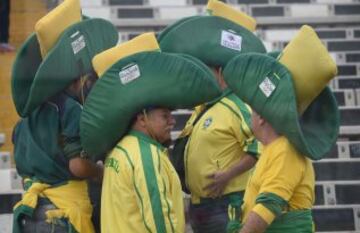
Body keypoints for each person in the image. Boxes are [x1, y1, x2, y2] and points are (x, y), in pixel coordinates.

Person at [79, 32, 222, 233]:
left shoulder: (119, 150)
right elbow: (160, 220)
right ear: (142, 118)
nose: (172, 121)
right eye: (165, 115)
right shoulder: (145, 156)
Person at [11, 0, 118, 232]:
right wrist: (101, 172)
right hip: (62, 216)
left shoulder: (28, 115)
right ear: (80, 77)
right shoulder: (70, 109)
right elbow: (78, 166)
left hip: (30, 213)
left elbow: (22, 171)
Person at [158, 1, 265, 232]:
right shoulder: (202, 108)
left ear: (220, 71)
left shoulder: (237, 105)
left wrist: (227, 175)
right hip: (199, 206)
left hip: (226, 205)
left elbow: (258, 148)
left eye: (206, 70)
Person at [222, 25, 339, 233]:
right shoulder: (273, 148)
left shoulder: (285, 150)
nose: (250, 114)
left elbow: (267, 207)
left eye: (253, 109)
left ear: (262, 119)